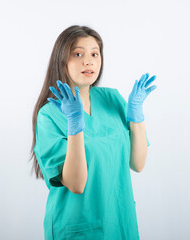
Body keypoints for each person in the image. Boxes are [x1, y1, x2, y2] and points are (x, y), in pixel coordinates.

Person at [29, 25, 157, 240]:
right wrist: (75, 126)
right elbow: (76, 184)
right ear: (62, 61)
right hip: (78, 226)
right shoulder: (50, 115)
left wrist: (136, 116)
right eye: (78, 54)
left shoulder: (112, 99)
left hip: (119, 220)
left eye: (94, 54)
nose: (88, 61)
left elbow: (137, 163)